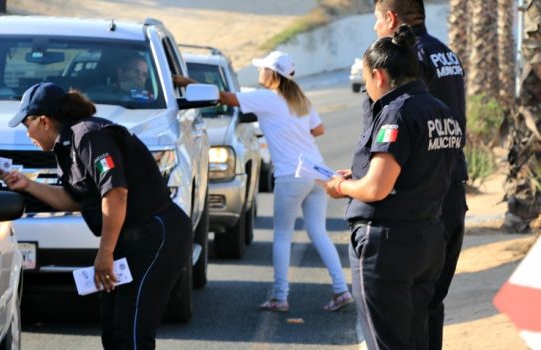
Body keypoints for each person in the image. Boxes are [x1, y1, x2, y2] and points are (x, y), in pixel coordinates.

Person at [0, 82, 191, 349]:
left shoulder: (88, 135)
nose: (26, 132)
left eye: (26, 124)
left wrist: (105, 252)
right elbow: (79, 199)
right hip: (133, 236)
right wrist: (28, 185)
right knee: (113, 333)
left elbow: (116, 193)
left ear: (43, 121)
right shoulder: (67, 145)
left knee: (131, 336)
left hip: (155, 232)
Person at [175, 51, 353, 313]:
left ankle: (280, 296)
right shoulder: (300, 99)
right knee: (319, 232)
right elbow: (318, 130)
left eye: (262, 69)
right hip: (318, 173)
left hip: (291, 175)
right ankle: (341, 290)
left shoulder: (267, 98)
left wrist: (188, 82)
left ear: (272, 74)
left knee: (282, 235)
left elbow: (224, 98)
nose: (259, 73)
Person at [322, 25, 462, 349]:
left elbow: (376, 189)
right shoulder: (443, 112)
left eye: (367, 81)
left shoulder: (396, 113)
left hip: (388, 247)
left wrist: (341, 187)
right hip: (428, 240)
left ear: (379, 75)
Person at [372, 1, 468, 348]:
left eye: (377, 21)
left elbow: (399, 124)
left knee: (405, 312)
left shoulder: (409, 59)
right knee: (430, 303)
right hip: (452, 185)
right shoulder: (447, 54)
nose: (376, 30)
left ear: (392, 18)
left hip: (423, 197)